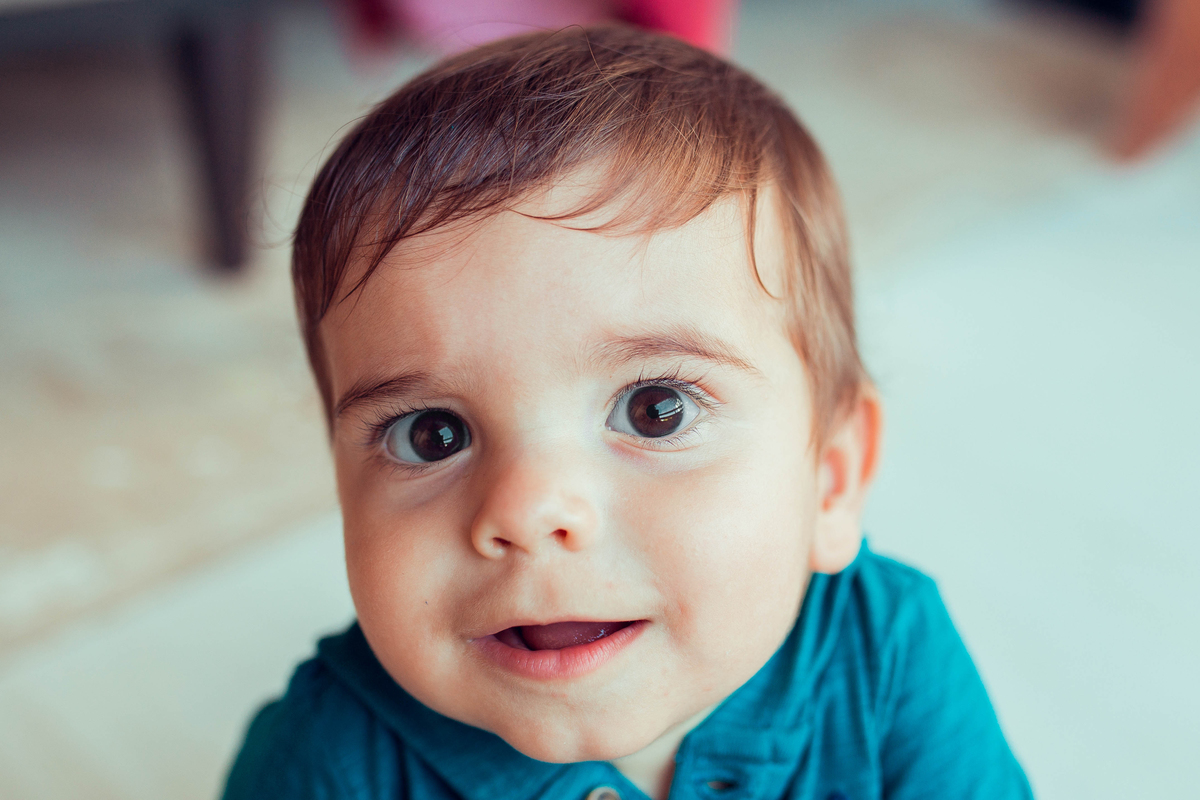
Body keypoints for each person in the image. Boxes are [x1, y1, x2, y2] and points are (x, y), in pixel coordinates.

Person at [221, 26, 1033, 800]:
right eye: (433, 435)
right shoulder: (320, 761)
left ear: (831, 479)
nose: (527, 511)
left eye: (655, 411)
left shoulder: (889, 652)